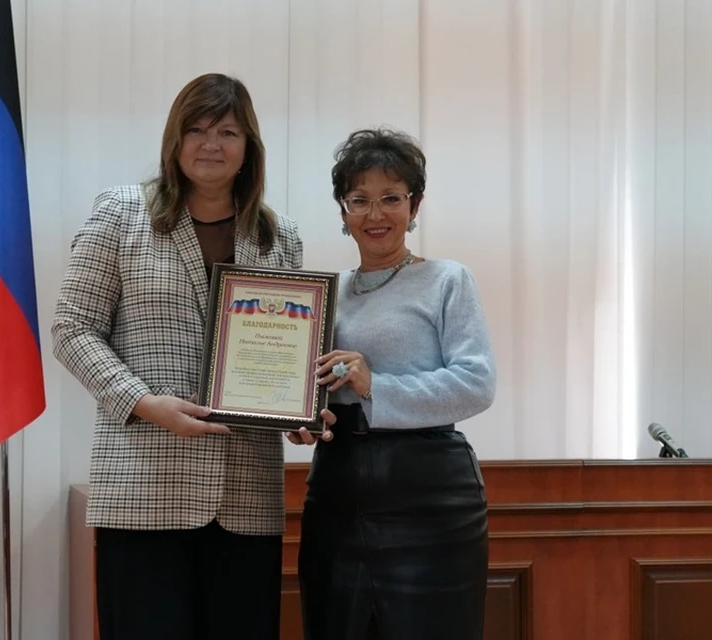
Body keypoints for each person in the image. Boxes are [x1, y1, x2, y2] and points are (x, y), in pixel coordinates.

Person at [51, 73, 330, 639]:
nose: (211, 144)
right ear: (174, 139)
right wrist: (145, 403)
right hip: (144, 488)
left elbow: (288, 356)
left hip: (246, 496)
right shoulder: (121, 213)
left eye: (227, 131)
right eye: (196, 129)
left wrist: (302, 413)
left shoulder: (280, 237)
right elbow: (71, 329)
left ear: (248, 146)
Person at [289, 128, 497, 639]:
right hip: (336, 496)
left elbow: (476, 383)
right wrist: (300, 419)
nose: (375, 214)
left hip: (429, 497)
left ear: (415, 203)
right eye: (359, 200)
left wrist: (375, 384)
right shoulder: (321, 294)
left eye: (391, 198)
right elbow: (317, 390)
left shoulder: (449, 279)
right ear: (342, 211)